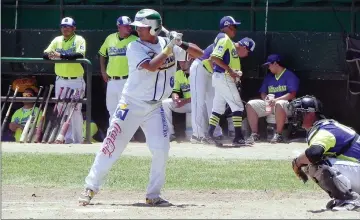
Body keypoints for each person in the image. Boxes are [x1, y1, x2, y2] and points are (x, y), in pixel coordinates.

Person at [79, 8, 203, 207]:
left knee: (162, 149)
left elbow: (200, 54)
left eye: (143, 28)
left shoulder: (166, 43)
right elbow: (152, 66)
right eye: (138, 27)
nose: (139, 30)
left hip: (155, 107)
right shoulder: (134, 47)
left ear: (154, 29)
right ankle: (90, 187)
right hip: (131, 104)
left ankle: (153, 195)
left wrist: (180, 42)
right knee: (111, 146)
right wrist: (170, 47)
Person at [290, 95, 360, 211]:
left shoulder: (324, 129)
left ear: (311, 114)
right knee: (313, 161)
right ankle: (343, 198)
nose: (296, 117)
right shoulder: (327, 126)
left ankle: (348, 200)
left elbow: (314, 153)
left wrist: (296, 162)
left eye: (299, 113)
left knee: (316, 164)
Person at [202, 16, 251, 147]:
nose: (235, 29)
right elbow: (214, 58)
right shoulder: (224, 38)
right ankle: (238, 137)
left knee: (218, 108)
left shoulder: (226, 39)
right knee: (238, 106)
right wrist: (230, 70)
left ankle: (209, 135)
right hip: (224, 77)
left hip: (221, 77)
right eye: (233, 26)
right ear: (227, 26)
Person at [43, 17, 86, 144]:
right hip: (61, 79)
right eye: (63, 26)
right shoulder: (57, 40)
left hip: (76, 80)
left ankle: (78, 139)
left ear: (74, 28)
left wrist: (60, 55)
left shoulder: (79, 39)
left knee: (75, 109)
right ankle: (65, 139)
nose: (65, 29)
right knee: (61, 109)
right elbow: (45, 54)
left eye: (68, 26)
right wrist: (52, 55)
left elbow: (80, 55)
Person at [245, 54, 299, 144]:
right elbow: (263, 92)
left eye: (269, 65)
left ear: (275, 64)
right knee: (250, 104)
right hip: (270, 105)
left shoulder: (289, 75)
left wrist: (276, 100)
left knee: (279, 103)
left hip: (287, 107)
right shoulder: (269, 77)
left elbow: (292, 94)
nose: (268, 68)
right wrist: (265, 98)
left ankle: (278, 135)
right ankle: (255, 134)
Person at [99, 16, 138, 124]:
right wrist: (103, 71)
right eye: (126, 26)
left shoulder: (135, 40)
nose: (129, 28)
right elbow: (102, 54)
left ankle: (127, 135)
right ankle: (113, 133)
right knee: (111, 108)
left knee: (125, 109)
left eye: (130, 26)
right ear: (119, 27)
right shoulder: (110, 38)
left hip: (127, 80)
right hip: (111, 80)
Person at [189, 43, 223, 143]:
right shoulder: (224, 45)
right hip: (200, 67)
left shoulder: (233, 53)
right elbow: (210, 62)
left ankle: (215, 132)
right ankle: (197, 134)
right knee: (198, 101)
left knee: (213, 101)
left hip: (210, 72)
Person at [162, 58, 193, 141]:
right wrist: (175, 98)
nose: (181, 63)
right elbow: (175, 91)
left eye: (184, 61)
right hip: (186, 103)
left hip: (198, 103)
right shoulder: (178, 73)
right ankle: (170, 133)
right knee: (165, 103)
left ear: (190, 60)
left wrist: (184, 102)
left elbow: (200, 95)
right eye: (180, 61)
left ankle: (201, 135)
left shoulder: (196, 71)